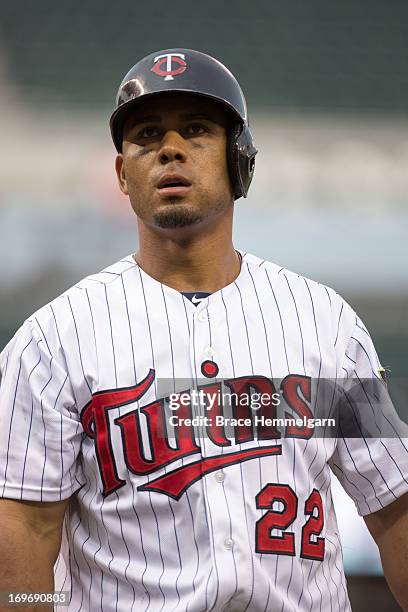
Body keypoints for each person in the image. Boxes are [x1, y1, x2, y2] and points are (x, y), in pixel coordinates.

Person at [0, 48, 407, 612]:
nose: (169, 148)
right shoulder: (53, 339)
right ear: (122, 174)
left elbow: (394, 507)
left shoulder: (326, 323)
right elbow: (23, 529)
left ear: (238, 159)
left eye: (195, 131)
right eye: (146, 135)